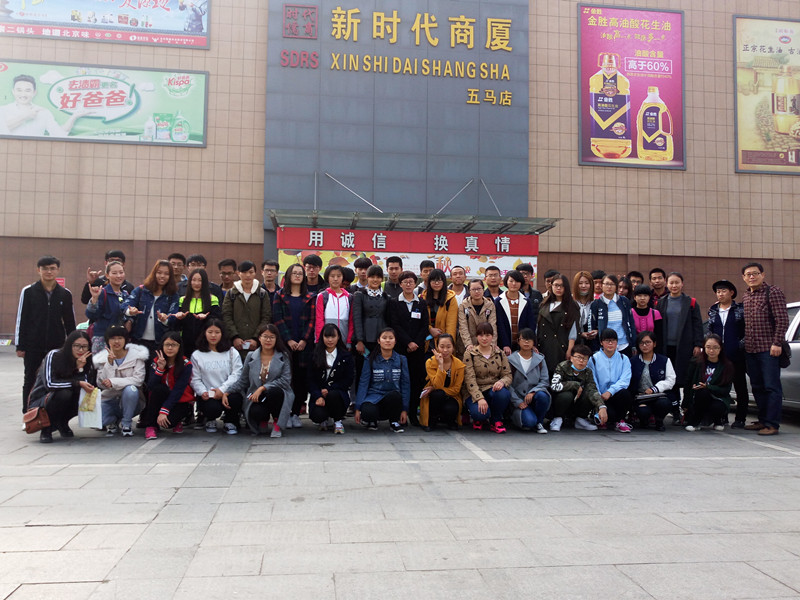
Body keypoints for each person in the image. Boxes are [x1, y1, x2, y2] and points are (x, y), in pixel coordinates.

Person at [15, 255, 76, 415]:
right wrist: (20, 345)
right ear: (38, 270)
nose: (49, 272)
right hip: (33, 346)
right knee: (30, 379)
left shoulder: (65, 294)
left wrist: (72, 346)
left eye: (52, 268)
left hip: (56, 346)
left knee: (56, 379)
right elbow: (22, 319)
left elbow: (70, 322)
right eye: (45, 269)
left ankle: (52, 415)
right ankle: (28, 414)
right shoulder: (28, 292)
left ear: (58, 270)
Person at [741, 262, 789, 436]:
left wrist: (777, 343)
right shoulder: (746, 296)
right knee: (757, 386)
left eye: (755, 273)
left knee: (771, 387)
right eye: (748, 274)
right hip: (751, 349)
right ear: (743, 278)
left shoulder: (773, 292)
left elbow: (782, 320)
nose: (752, 277)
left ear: (763, 275)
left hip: (768, 349)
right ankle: (762, 420)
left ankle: (772, 424)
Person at [27, 330, 96, 443]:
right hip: (43, 399)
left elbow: (86, 384)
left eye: (84, 347)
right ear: (69, 345)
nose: (81, 350)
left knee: (85, 395)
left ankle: (62, 422)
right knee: (64, 392)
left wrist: (79, 369)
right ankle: (46, 428)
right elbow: (50, 384)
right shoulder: (54, 355)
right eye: (77, 346)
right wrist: (76, 382)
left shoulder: (86, 359)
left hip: (65, 398)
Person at [272, 263, 316, 430]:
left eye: (300, 273)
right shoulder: (279, 295)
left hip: (304, 346)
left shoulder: (310, 296)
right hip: (285, 345)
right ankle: (285, 413)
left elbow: (312, 320)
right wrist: (288, 339)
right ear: (288, 276)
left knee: (300, 380)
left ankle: (296, 413)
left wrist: (304, 340)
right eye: (294, 273)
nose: (297, 276)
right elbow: (278, 319)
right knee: (285, 380)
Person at [656, 272, 703, 423]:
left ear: (682, 284)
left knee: (684, 379)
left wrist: (698, 344)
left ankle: (686, 409)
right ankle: (675, 411)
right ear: (667, 284)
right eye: (671, 283)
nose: (674, 285)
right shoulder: (661, 302)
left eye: (677, 282)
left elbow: (697, 325)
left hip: (684, 347)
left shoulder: (691, 302)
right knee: (670, 379)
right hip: (666, 347)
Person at [234, 324, 294, 437]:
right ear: (259, 338)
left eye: (272, 337)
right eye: (265, 336)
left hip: (277, 393)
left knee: (274, 392)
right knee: (256, 411)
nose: (268, 340)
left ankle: (277, 421)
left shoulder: (283, 356)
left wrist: (263, 388)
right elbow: (243, 380)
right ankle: (263, 419)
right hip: (257, 395)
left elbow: (285, 380)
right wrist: (227, 392)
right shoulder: (251, 356)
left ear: (276, 339)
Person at [387, 270, 430, 424]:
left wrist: (416, 343)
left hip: (418, 350)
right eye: (405, 282)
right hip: (401, 349)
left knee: (416, 381)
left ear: (415, 283)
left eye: (411, 281)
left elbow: (424, 325)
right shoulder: (394, 303)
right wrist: (408, 342)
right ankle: (399, 413)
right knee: (400, 380)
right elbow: (395, 325)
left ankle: (412, 413)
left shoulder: (421, 303)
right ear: (400, 284)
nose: (408, 284)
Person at [190, 319, 244, 435]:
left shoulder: (231, 352)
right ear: (204, 333)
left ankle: (230, 421)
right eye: (210, 332)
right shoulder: (197, 355)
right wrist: (202, 392)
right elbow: (195, 379)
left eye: (217, 332)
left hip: (228, 392)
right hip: (209, 393)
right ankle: (210, 419)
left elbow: (237, 374)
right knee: (212, 408)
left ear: (222, 333)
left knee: (235, 399)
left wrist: (222, 390)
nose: (213, 335)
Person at [707, 279, 749, 429]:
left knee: (740, 386)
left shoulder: (740, 309)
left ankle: (740, 418)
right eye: (718, 292)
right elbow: (710, 330)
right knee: (720, 385)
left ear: (731, 293)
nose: (720, 294)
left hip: (737, 355)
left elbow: (747, 330)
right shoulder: (713, 310)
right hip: (718, 356)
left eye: (723, 291)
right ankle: (721, 416)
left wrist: (739, 345)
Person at [93, 325, 148, 437]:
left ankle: (126, 424)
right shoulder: (102, 358)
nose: (116, 341)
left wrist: (113, 382)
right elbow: (101, 383)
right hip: (110, 398)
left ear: (126, 340)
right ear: (107, 340)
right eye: (113, 338)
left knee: (131, 389)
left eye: (120, 338)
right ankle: (113, 421)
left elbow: (138, 380)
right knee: (99, 422)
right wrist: (109, 363)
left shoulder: (137, 356)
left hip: (132, 400)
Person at [355, 328, 410, 432]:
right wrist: (357, 407)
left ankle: (394, 421)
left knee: (395, 396)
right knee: (367, 411)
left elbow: (405, 385)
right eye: (384, 338)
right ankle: (372, 420)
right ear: (379, 341)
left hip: (392, 399)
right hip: (374, 397)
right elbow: (363, 383)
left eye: (391, 338)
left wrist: (404, 409)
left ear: (395, 341)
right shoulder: (370, 359)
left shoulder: (401, 360)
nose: (388, 340)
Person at [141, 332, 194, 440]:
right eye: (167, 344)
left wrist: (164, 411)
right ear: (162, 346)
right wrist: (160, 369)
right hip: (161, 397)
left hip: (180, 399)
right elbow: (150, 386)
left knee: (169, 423)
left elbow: (179, 390)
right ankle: (151, 426)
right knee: (158, 390)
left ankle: (177, 421)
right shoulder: (156, 361)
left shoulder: (186, 364)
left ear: (179, 347)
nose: (170, 348)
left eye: (174, 345)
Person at [0, 74, 90, 137]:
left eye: (27, 90)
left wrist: (74, 117)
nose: (23, 94)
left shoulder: (43, 112)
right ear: (13, 91)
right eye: (19, 90)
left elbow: (59, 134)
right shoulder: (3, 110)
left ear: (34, 92)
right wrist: (25, 117)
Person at [463, 322, 512, 433]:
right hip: (475, 391)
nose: (484, 338)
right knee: (479, 414)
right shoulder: (470, 354)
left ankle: (496, 420)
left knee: (503, 394)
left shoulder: (500, 353)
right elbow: (469, 379)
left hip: (492, 389)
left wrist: (502, 382)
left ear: (492, 336)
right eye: (481, 335)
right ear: (476, 336)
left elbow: (507, 375)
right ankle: (480, 418)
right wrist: (479, 398)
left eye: (487, 335)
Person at [123, 260, 180, 355]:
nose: (162, 276)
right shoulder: (141, 290)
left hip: (160, 342)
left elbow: (173, 315)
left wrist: (165, 319)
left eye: (166, 274)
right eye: (159, 272)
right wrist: (130, 311)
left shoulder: (173, 295)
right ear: (154, 273)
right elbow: (125, 305)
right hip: (137, 340)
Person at [308, 323, 354, 434]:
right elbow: (310, 379)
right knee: (317, 416)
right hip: (319, 394)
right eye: (327, 336)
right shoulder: (315, 355)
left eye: (333, 336)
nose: (330, 340)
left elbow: (348, 379)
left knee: (333, 395)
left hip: (337, 393)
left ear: (338, 337)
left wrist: (329, 389)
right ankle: (324, 419)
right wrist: (318, 395)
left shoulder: (346, 356)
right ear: (322, 337)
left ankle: (338, 420)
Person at [683, 334, 735, 432]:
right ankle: (695, 421)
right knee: (702, 392)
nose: (711, 351)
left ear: (721, 348)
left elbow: (725, 390)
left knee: (716, 404)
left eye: (715, 348)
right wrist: (685, 403)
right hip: (698, 397)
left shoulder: (727, 365)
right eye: (708, 347)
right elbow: (688, 382)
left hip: (717, 398)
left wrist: (708, 387)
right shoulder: (696, 362)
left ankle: (718, 420)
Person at [223, 260, 272, 360]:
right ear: (238, 273)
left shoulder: (262, 294)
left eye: (251, 272)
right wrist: (234, 337)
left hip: (257, 345)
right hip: (235, 345)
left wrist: (256, 338)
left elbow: (266, 317)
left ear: (255, 273)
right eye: (244, 272)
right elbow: (226, 315)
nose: (248, 275)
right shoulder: (231, 293)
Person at [629, 331, 676, 432]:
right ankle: (644, 419)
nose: (644, 345)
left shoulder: (664, 360)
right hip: (641, 397)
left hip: (658, 395)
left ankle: (659, 421)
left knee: (664, 404)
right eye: (641, 343)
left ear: (654, 344)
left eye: (648, 342)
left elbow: (671, 379)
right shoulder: (633, 361)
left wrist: (655, 389)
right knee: (643, 411)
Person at [549, 344, 603, 432]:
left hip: (578, 402)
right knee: (567, 395)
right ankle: (557, 418)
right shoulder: (562, 366)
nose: (581, 361)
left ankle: (580, 420)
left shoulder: (588, 372)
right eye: (578, 357)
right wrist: (575, 385)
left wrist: (601, 406)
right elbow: (554, 386)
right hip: (562, 402)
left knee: (589, 394)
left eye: (585, 359)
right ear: (571, 358)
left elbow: (592, 389)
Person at [588, 329, 633, 432]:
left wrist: (610, 391)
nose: (610, 343)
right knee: (610, 415)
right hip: (601, 396)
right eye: (607, 340)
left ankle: (620, 420)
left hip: (616, 394)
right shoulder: (594, 359)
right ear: (601, 342)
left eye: (613, 340)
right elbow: (592, 381)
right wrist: (600, 398)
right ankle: (599, 414)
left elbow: (625, 380)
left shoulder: (624, 358)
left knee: (625, 394)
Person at [170, 268, 221, 357]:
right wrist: (179, 317)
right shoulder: (182, 300)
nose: (196, 283)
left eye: (200, 280)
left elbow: (218, 320)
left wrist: (206, 317)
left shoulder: (212, 299)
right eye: (194, 280)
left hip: (205, 342)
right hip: (185, 343)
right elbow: (176, 325)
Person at [351, 265, 389, 384]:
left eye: (378, 277)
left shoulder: (386, 297)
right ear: (367, 277)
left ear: (382, 279)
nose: (375, 280)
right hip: (364, 339)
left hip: (380, 339)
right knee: (362, 371)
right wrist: (359, 340)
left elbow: (387, 318)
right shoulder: (359, 295)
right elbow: (356, 318)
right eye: (372, 277)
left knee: (379, 372)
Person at [537, 274, 580, 376]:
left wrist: (570, 349)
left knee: (559, 374)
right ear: (551, 286)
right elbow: (538, 326)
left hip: (561, 345)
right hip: (544, 345)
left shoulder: (572, 305)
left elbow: (573, 330)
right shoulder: (545, 303)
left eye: (562, 286)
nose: (559, 288)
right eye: (556, 285)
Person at [508, 328, 550, 433]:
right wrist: (517, 402)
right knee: (529, 422)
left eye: (529, 339)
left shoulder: (540, 359)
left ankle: (539, 422)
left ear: (534, 342)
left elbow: (544, 381)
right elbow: (508, 384)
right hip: (518, 399)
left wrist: (533, 392)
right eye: (523, 339)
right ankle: (519, 417)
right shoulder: (510, 360)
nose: (526, 342)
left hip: (534, 397)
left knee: (543, 396)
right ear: (518, 341)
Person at [420, 333, 464, 431]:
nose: (445, 350)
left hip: (451, 396)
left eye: (448, 347)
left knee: (451, 407)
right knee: (438, 394)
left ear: (453, 348)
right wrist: (440, 365)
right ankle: (432, 419)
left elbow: (456, 390)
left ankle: (449, 421)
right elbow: (437, 385)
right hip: (434, 397)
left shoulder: (459, 365)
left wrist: (433, 388)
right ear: (437, 347)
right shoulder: (430, 362)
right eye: (442, 346)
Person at [86, 261, 130, 354]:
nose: (118, 276)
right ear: (107, 275)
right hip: (103, 340)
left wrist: (130, 320)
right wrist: (94, 299)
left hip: (120, 341)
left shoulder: (125, 294)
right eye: (114, 273)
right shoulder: (102, 292)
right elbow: (91, 315)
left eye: (121, 272)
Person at [496, 269, 540, 356]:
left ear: (521, 283)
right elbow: (499, 324)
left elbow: (531, 323)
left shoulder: (526, 301)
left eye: (517, 281)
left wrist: (531, 343)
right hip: (504, 345)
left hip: (523, 345)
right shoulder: (499, 301)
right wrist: (505, 344)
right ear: (506, 282)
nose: (514, 284)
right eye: (511, 281)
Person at [590, 274, 636, 355]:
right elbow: (593, 326)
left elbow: (631, 323)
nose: (609, 287)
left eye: (612, 284)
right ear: (602, 286)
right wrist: (595, 347)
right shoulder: (596, 304)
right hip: (605, 346)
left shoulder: (624, 301)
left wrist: (633, 344)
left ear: (616, 287)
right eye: (606, 284)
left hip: (624, 344)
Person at [314, 265, 354, 345]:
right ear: (327, 278)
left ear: (342, 277)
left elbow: (351, 321)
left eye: (338, 276)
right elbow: (319, 320)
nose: (335, 279)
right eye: (332, 276)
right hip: (327, 340)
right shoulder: (322, 296)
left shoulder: (349, 297)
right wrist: (319, 340)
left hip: (344, 340)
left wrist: (349, 341)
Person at [457, 279, 497, 356]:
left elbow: (493, 326)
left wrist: (492, 344)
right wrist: (468, 344)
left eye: (479, 289)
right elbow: (463, 326)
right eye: (473, 289)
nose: (476, 292)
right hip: (467, 346)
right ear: (469, 291)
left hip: (486, 344)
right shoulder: (463, 306)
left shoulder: (490, 305)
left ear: (483, 289)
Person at [422, 268, 459, 347]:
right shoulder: (422, 298)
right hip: (425, 341)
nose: (436, 283)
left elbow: (451, 325)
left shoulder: (450, 299)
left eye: (439, 280)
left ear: (444, 282)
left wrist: (448, 345)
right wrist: (430, 329)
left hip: (443, 340)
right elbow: (420, 321)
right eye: (433, 280)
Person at [572, 270, 597, 348]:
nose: (583, 286)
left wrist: (596, 331)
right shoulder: (570, 302)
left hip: (592, 344)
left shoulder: (595, 303)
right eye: (580, 283)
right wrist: (580, 334)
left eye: (587, 283)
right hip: (573, 342)